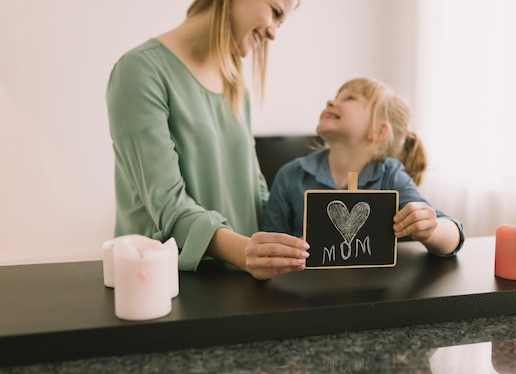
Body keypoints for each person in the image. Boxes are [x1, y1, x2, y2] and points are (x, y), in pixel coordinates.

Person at [106, 0, 309, 280]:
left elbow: (253, 188)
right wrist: (244, 251)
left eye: (281, 22)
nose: (273, 33)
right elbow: (169, 205)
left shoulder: (234, 82)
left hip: (239, 282)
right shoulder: (139, 72)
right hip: (164, 286)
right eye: (275, 12)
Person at [261, 77, 465, 256]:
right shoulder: (290, 175)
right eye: (336, 96)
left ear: (378, 130)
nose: (330, 101)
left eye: (349, 98)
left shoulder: (390, 176)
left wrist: (432, 229)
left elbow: (453, 237)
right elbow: (267, 246)